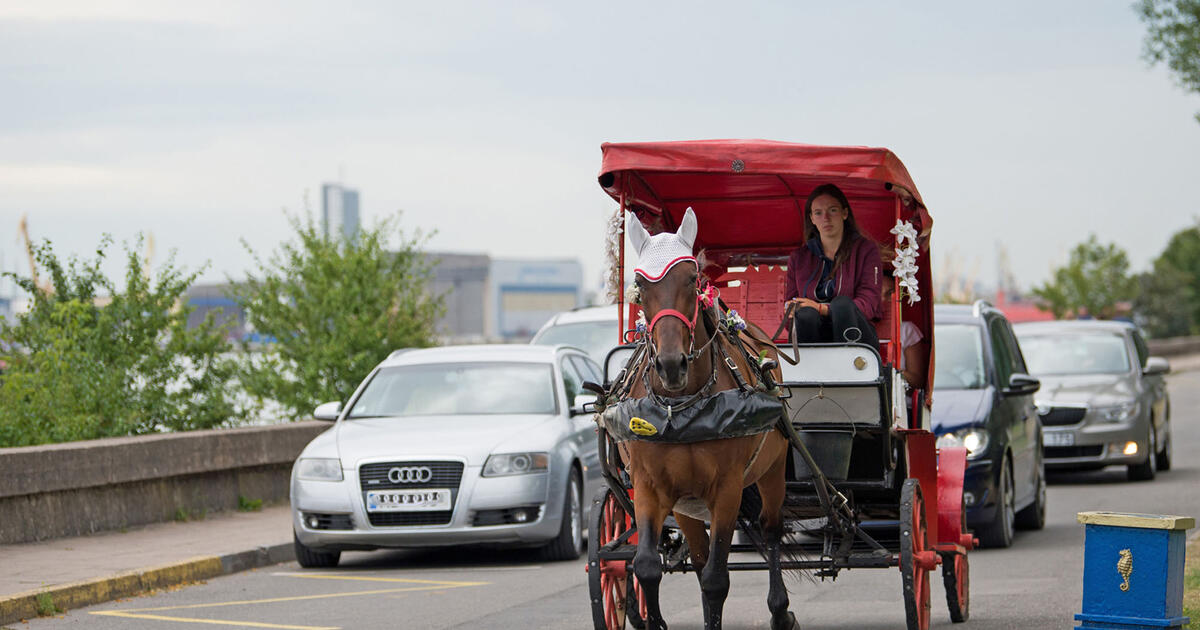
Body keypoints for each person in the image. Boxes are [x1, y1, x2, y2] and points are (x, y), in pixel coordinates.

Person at [784, 183, 883, 350]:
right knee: (806, 314)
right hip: (813, 334)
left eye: (833, 210)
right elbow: (790, 319)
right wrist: (792, 309)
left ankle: (849, 367)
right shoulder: (798, 258)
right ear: (812, 219)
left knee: (842, 304)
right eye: (818, 213)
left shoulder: (866, 250)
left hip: (856, 336)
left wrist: (823, 309)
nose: (826, 218)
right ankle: (806, 371)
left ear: (844, 213)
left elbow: (869, 305)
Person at [880, 270, 928, 389]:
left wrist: (890, 371)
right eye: (877, 294)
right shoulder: (857, 329)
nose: (883, 300)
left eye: (889, 294)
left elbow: (918, 381)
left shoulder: (907, 330)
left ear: (897, 297)